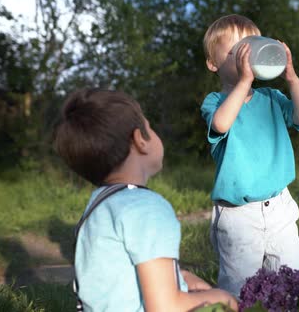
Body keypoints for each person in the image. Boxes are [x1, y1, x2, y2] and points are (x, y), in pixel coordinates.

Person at [54, 88, 237, 312]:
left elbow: (114, 278)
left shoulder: (98, 205)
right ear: (140, 140)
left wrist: (179, 277)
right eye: (149, 126)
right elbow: (165, 308)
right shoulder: (148, 209)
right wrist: (223, 298)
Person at [201, 14, 299, 296]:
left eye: (249, 47)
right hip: (238, 215)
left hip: (279, 206)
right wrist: (243, 82)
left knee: (292, 279)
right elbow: (221, 124)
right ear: (213, 64)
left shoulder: (272, 98)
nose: (244, 56)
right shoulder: (215, 102)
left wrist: (291, 76)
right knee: (241, 286)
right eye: (234, 51)